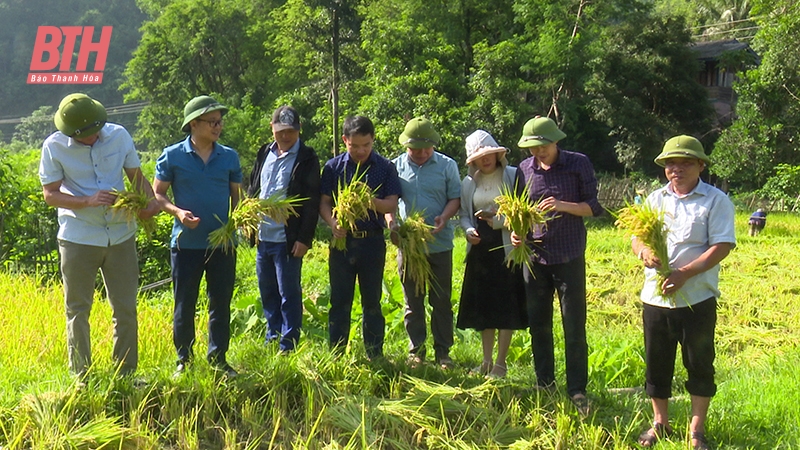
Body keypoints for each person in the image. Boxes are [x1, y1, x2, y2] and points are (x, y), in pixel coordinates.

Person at [39, 93, 159, 379]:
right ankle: (81, 375)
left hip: (120, 234)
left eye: (95, 133)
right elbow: (50, 195)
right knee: (78, 309)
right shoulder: (54, 146)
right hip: (78, 235)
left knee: (126, 306)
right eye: (84, 136)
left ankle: (126, 373)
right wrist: (87, 201)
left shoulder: (118, 136)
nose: (92, 139)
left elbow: (137, 176)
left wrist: (149, 203)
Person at [633, 135, 735, 450]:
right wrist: (643, 253)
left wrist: (684, 274)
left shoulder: (716, 201)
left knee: (699, 362)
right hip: (656, 297)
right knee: (657, 362)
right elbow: (637, 237)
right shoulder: (654, 200)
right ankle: (660, 422)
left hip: (697, 298)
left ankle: (696, 431)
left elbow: (722, 246)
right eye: (671, 163)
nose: (677, 169)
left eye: (686, 162)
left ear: (700, 165)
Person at [512, 116, 604, 414]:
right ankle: (544, 382)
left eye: (543, 147)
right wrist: (517, 232)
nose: (538, 154)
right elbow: (521, 210)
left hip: (568, 255)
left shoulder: (578, 164)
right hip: (535, 257)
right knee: (539, 326)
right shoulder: (525, 170)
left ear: (555, 141)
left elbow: (593, 207)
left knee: (573, 325)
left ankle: (577, 389)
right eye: (532, 149)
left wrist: (562, 205)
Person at [154, 95, 243, 378]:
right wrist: (178, 212)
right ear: (194, 123)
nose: (218, 126)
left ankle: (218, 359)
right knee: (185, 303)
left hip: (222, 244)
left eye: (220, 122)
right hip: (186, 244)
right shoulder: (172, 156)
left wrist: (239, 224)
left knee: (221, 302)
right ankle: (184, 360)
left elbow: (237, 200)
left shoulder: (228, 156)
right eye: (212, 121)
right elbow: (158, 194)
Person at [319, 115, 401, 360]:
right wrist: (333, 223)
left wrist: (368, 200)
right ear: (345, 141)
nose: (361, 151)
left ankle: (375, 354)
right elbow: (323, 203)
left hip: (372, 241)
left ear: (373, 140)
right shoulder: (333, 167)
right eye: (355, 146)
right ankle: (336, 354)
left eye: (366, 145)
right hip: (342, 243)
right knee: (340, 301)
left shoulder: (385, 168)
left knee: (372, 302)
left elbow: (390, 204)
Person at [386, 117, 460, 369]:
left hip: (439, 244)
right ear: (406, 146)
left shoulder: (447, 166)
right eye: (415, 149)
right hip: (410, 247)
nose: (421, 154)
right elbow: (390, 203)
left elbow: (455, 199)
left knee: (441, 300)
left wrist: (444, 217)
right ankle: (416, 351)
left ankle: (443, 352)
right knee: (412, 301)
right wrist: (392, 224)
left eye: (426, 149)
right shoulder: (395, 167)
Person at [246, 106, 320, 352]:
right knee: (268, 292)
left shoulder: (307, 158)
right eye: (280, 132)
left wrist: (304, 238)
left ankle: (288, 345)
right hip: (264, 237)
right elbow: (253, 188)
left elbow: (311, 203)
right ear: (272, 129)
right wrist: (249, 221)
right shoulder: (264, 152)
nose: (285, 137)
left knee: (288, 293)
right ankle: (272, 338)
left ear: (299, 130)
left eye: (290, 131)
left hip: (287, 239)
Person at [456, 130, 527, 378]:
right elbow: (464, 213)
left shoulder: (512, 175)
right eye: (479, 156)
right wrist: (468, 231)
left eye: (489, 154)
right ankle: (486, 361)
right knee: (485, 308)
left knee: (505, 306)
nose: (485, 159)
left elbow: (522, 213)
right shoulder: (468, 183)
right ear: (473, 161)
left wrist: (495, 220)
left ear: (497, 154)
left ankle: (501, 363)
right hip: (480, 249)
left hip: (506, 247)